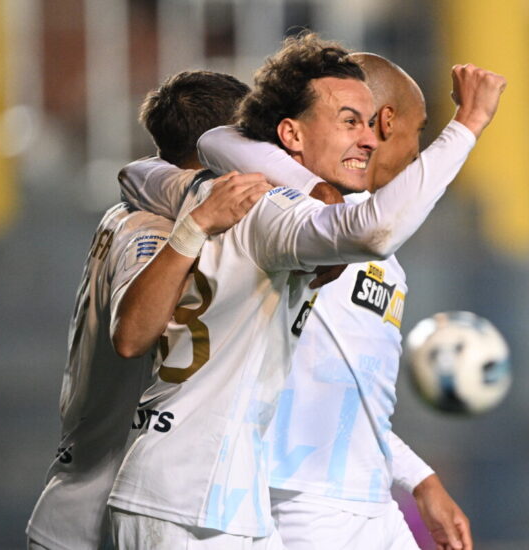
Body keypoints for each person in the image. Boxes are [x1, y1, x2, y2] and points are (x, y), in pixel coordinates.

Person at [108, 33, 504, 549]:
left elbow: (354, 397)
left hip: (348, 499)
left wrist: (418, 478)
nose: (381, 142)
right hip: (287, 498)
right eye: (351, 122)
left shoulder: (347, 230)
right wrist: (466, 124)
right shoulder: (288, 215)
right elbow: (193, 152)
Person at [25, 70, 268, 550]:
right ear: (224, 147)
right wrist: (195, 225)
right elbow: (133, 335)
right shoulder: (154, 229)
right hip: (103, 515)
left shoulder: (135, 207)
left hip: (90, 505)